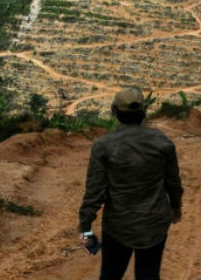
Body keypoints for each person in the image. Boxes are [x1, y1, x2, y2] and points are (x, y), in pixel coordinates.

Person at [78, 87, 183, 280]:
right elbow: (173, 182)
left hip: (118, 226)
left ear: (114, 111)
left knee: (110, 275)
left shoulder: (103, 146)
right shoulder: (162, 142)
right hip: (154, 224)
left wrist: (85, 228)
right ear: (144, 111)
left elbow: (94, 192)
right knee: (149, 275)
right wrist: (176, 207)